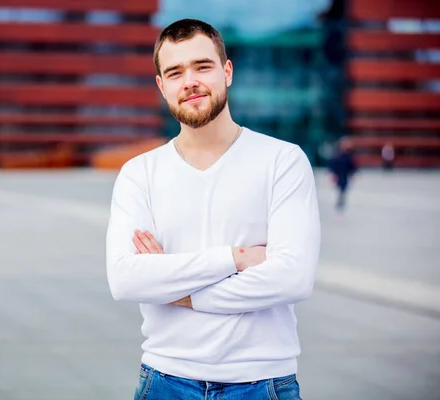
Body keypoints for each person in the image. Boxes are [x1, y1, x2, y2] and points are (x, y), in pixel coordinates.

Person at [106, 19, 320, 400]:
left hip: (264, 383)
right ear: (161, 86)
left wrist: (177, 291)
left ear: (227, 71)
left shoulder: (283, 161)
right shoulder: (139, 174)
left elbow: (293, 278)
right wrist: (236, 258)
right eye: (174, 72)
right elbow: (126, 280)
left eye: (202, 66)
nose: (189, 81)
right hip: (165, 381)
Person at [327, 138, 357, 212]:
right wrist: (333, 174)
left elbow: (351, 166)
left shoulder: (349, 155)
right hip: (339, 174)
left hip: (345, 175)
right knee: (340, 189)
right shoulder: (338, 155)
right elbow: (333, 166)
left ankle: (341, 201)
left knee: (343, 189)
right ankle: (340, 201)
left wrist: (353, 174)